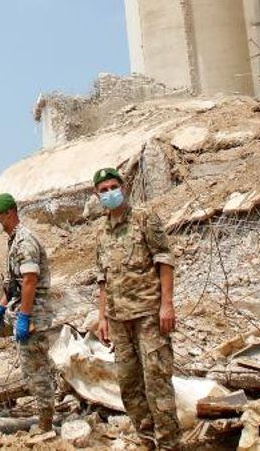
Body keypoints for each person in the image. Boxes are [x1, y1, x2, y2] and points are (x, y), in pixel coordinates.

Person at [93, 168, 180, 448]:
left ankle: (169, 444)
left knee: (157, 384)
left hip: (148, 316)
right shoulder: (102, 232)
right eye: (103, 189)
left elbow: (164, 260)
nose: (109, 193)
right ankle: (147, 441)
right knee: (129, 387)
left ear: (123, 186)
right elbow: (103, 278)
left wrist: (166, 305)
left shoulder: (144, 218)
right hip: (119, 321)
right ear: (96, 195)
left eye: (113, 187)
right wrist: (102, 317)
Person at [0, 194, 56, 430]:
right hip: (16, 311)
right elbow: (14, 285)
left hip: (32, 314)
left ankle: (46, 425)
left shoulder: (25, 241)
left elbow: (30, 281)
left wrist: (24, 317)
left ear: (9, 213)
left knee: (35, 370)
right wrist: (0, 306)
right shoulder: (13, 240)